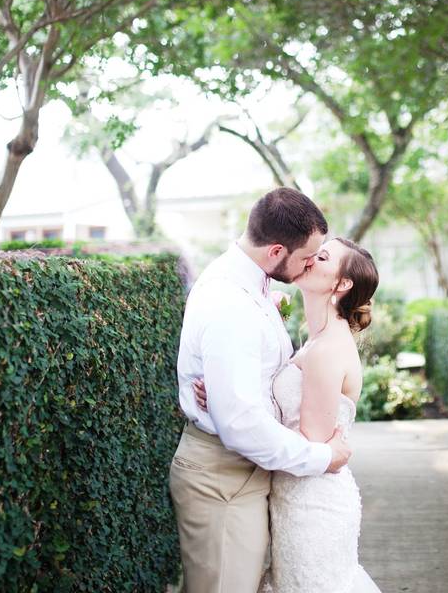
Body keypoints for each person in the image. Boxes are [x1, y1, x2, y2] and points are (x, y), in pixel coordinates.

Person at [169, 188, 352, 593]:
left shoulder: (250, 284)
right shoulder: (230, 303)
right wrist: (323, 457)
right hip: (222, 481)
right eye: (306, 257)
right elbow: (241, 426)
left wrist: (228, 394)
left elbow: (248, 388)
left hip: (245, 473)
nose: (308, 266)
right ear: (274, 251)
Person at [194, 236, 383, 592]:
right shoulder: (315, 341)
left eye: (322, 257)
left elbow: (310, 442)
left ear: (342, 284)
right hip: (293, 497)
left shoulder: (326, 350)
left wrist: (231, 402)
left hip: (313, 506)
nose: (310, 259)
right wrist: (228, 392)